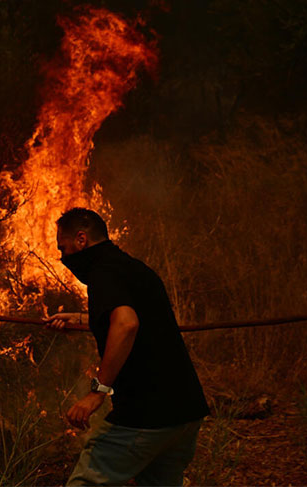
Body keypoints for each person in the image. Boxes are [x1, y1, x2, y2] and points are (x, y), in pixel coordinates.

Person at [49, 207, 209, 486]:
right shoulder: (135, 268)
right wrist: (82, 319)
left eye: (63, 248)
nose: (63, 257)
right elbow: (138, 319)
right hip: (185, 414)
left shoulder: (103, 273)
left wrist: (97, 392)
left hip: (146, 415)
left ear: (81, 239)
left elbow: (126, 324)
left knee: (86, 481)